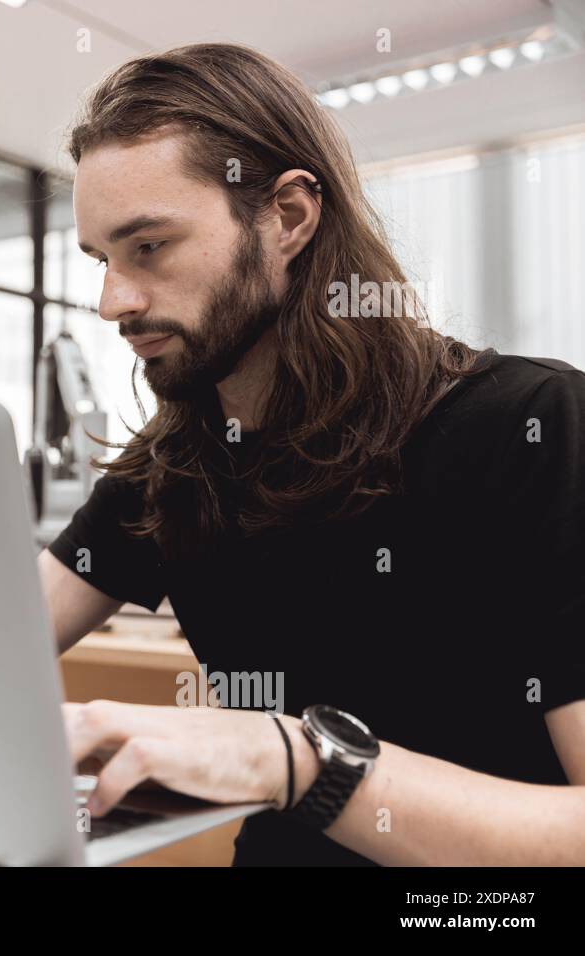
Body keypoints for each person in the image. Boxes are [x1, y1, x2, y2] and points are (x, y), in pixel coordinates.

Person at [40, 43, 585, 865]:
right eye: (102, 261)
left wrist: (292, 760)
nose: (114, 300)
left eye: (148, 247)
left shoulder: (531, 426)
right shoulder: (174, 465)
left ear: (289, 218)